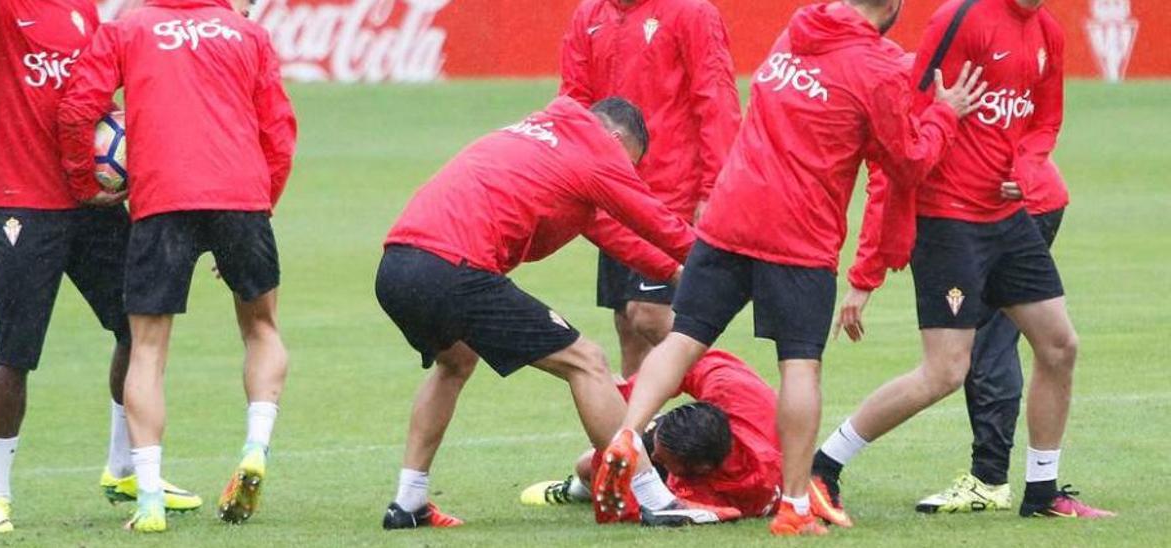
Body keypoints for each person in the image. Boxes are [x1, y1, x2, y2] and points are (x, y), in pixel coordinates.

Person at [591, 0, 987, 536]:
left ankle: (628, 437)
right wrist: (944, 112)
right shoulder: (877, 68)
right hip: (799, 235)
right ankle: (795, 504)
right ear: (892, 5)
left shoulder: (796, 31)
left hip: (730, 216)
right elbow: (908, 161)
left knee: (683, 339)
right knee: (799, 367)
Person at [376, 96, 744, 530]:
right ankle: (654, 499)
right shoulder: (596, 150)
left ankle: (409, 502)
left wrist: (678, 272)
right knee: (586, 361)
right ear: (615, 139)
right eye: (630, 164)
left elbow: (614, 232)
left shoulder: (549, 140)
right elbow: (655, 220)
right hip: (453, 268)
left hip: (397, 265)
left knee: (454, 363)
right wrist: (728, 266)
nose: (625, 174)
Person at [814, 0, 1114, 523]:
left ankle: (1042, 492)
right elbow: (903, 118)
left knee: (1060, 345)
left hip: (1007, 216)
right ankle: (824, 465)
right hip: (948, 220)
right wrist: (869, 269)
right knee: (945, 371)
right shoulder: (963, 18)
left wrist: (1025, 166)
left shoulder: (1047, 32)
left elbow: (1046, 120)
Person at [0, 0, 201, 533]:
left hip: (94, 203)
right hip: (18, 202)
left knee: (140, 328)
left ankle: (126, 469)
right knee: (14, 356)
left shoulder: (82, 8)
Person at [57, 0, 297, 532]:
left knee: (147, 349)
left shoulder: (127, 28)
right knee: (261, 326)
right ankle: (256, 446)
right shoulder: (246, 33)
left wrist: (85, 182)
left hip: (163, 198)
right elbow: (278, 128)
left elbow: (78, 108)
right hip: (240, 196)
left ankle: (147, 498)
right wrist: (262, 201)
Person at [560, 0, 741, 378]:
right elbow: (574, 102)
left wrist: (714, 188)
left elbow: (716, 98)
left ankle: (735, 400)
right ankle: (636, 433)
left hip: (672, 195)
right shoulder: (589, 16)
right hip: (611, 194)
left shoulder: (691, 12)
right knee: (629, 326)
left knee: (653, 317)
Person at [915, 159, 1069, 514]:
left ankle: (989, 479)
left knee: (986, 344)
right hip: (1004, 203)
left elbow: (1039, 118)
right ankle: (997, 478)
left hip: (1007, 208)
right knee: (988, 341)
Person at [521, 349, 782, 524]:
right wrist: (623, 399)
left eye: (663, 459)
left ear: (698, 470)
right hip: (721, 440)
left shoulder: (709, 494)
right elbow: (688, 360)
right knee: (613, 448)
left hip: (711, 482)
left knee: (588, 466)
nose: (654, 456)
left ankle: (579, 489)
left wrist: (605, 458)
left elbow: (622, 510)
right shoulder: (733, 390)